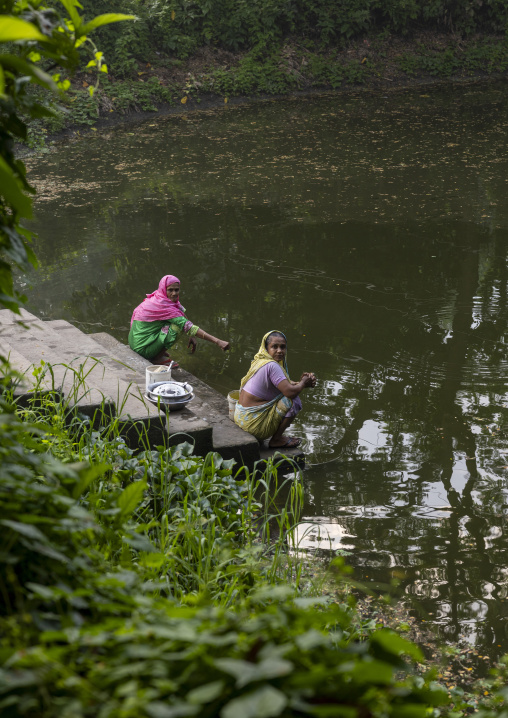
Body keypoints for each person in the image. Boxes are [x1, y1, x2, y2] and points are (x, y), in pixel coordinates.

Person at [234, 330, 316, 448]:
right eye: (274, 347)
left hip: (240, 417)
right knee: (294, 400)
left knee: (292, 392)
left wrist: (303, 382)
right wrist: (303, 383)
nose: (279, 351)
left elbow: (286, 384)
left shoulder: (260, 361)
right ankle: (276, 439)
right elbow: (290, 392)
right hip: (254, 426)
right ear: (267, 349)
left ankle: (276, 437)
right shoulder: (272, 366)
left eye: (283, 347)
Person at [128, 274, 230, 366]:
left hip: (134, 342)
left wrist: (191, 335)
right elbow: (187, 325)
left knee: (176, 321)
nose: (174, 293)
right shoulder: (164, 306)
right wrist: (218, 341)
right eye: (170, 290)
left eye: (176, 290)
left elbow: (180, 314)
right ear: (164, 289)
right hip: (142, 349)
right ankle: (156, 358)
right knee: (178, 327)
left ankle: (157, 351)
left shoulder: (157, 299)